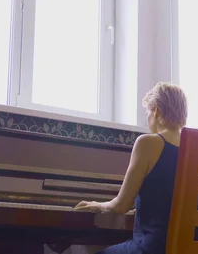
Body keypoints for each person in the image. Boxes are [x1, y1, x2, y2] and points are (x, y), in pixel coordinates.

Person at [74, 82, 188, 254]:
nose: (147, 119)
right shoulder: (195, 148)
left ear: (156, 110)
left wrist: (96, 204)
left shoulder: (148, 142)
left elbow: (121, 206)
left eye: (148, 112)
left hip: (152, 249)